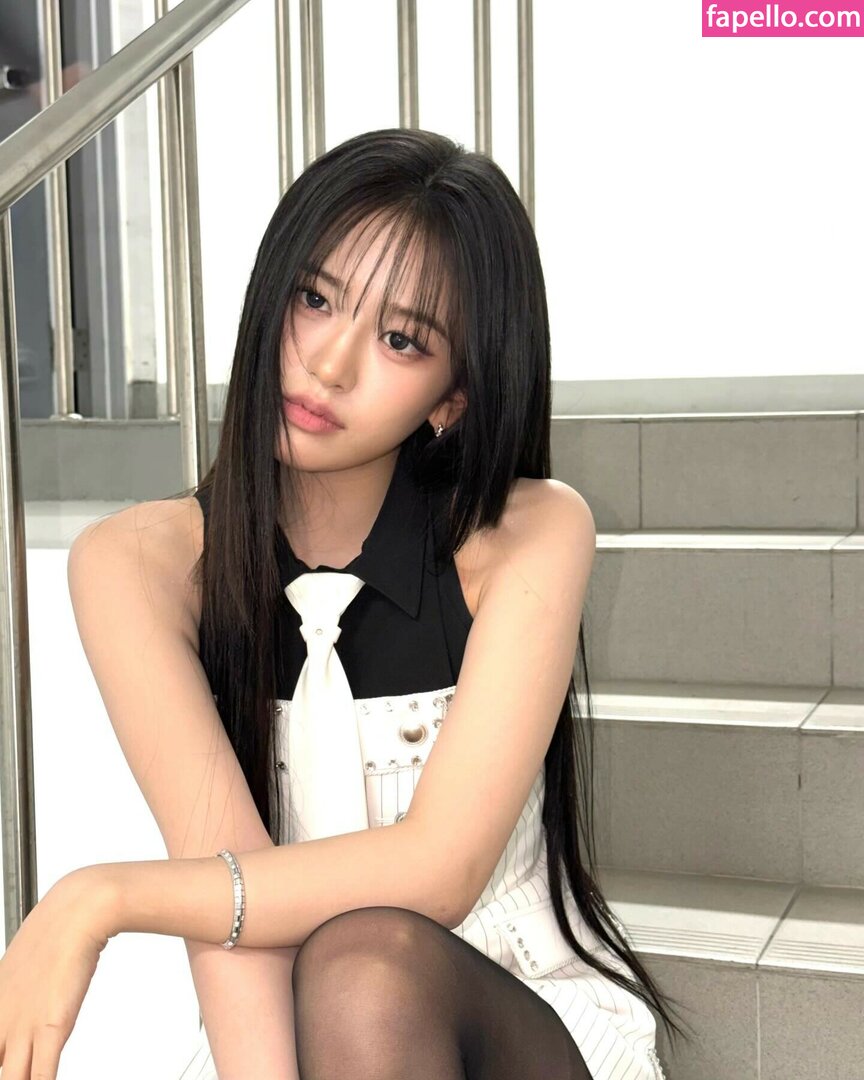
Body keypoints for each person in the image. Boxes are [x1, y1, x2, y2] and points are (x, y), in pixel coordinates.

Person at [0, 128, 687, 1080]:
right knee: (341, 980)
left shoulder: (530, 534)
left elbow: (438, 872)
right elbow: (231, 905)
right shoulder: (139, 564)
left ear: (453, 397)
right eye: (314, 299)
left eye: (401, 340)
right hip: (286, 1025)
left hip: (507, 1014)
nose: (328, 364)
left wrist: (101, 898)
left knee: (366, 968)